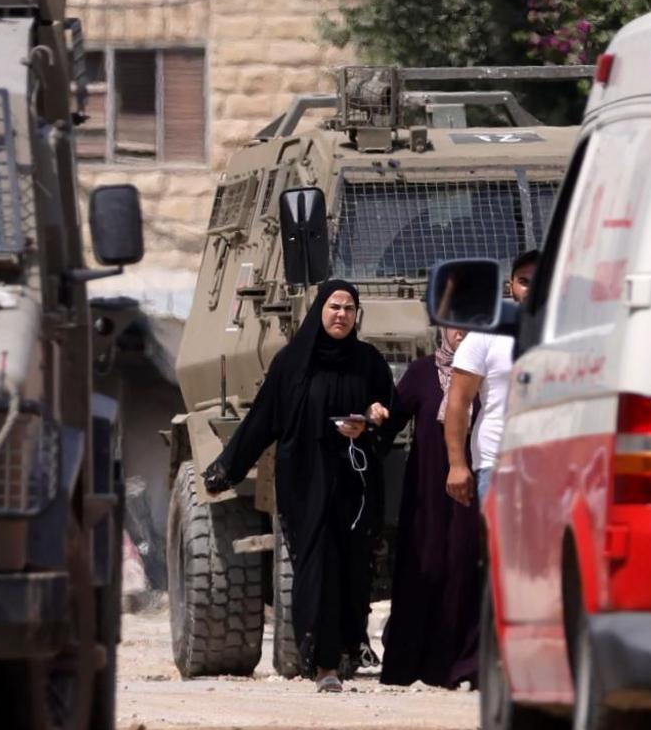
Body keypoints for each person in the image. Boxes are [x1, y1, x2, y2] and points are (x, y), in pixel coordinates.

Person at [204, 280, 394, 692]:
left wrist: (373, 418)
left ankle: (347, 649)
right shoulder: (293, 363)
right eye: (334, 306)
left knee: (352, 567)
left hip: (356, 485)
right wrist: (227, 470)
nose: (341, 315)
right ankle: (323, 663)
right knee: (319, 565)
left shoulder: (369, 361)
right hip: (307, 482)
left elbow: (387, 412)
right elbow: (262, 420)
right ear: (319, 311)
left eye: (348, 308)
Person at [378, 326, 482, 689]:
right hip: (426, 491)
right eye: (454, 321)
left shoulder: (491, 373)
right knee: (424, 565)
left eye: (471, 322)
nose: (461, 331)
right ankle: (410, 663)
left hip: (473, 486)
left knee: (465, 564)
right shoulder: (422, 372)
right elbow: (390, 422)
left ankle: (463, 663)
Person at [446, 250, 538, 508]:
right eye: (524, 281)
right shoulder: (485, 335)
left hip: (559, 465)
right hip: (497, 463)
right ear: (511, 286)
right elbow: (459, 401)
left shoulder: (573, 333)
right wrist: (457, 465)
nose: (532, 289)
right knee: (503, 547)